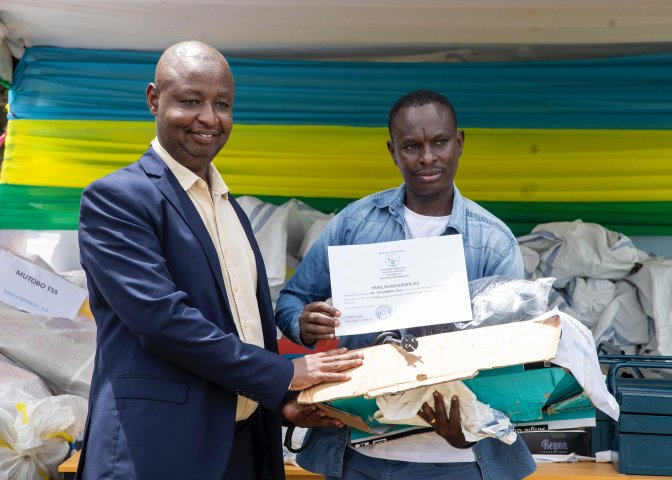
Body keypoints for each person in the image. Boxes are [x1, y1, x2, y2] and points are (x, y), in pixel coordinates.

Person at [76, 41, 363, 480]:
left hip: (241, 447)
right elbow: (163, 321)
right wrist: (284, 373)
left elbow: (242, 327)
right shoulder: (118, 198)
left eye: (222, 104)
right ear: (154, 99)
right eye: (191, 101)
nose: (210, 118)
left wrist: (282, 402)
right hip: (156, 451)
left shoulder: (230, 208)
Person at [275, 90, 537, 480]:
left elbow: (518, 352)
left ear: (460, 143)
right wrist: (302, 323)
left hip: (458, 463)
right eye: (412, 146)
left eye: (440, 142)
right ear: (392, 151)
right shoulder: (354, 224)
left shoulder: (493, 243)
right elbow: (292, 299)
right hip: (356, 453)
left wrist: (470, 427)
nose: (427, 157)